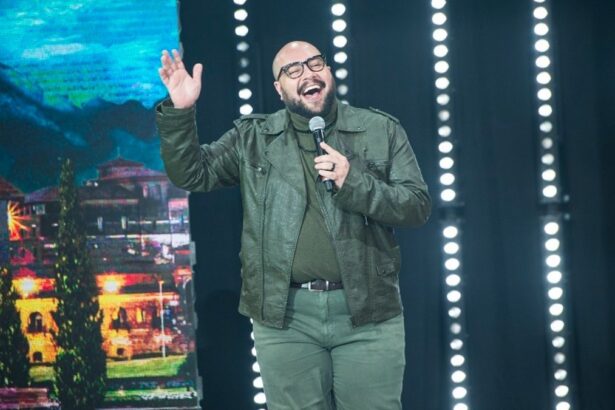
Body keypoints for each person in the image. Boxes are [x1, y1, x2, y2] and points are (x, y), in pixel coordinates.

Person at [156, 41, 431, 410]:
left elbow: (417, 206)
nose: (308, 73)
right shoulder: (253, 138)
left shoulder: (379, 129)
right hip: (285, 317)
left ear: (329, 73)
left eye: (315, 63)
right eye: (293, 70)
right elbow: (193, 173)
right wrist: (181, 111)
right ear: (279, 88)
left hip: (368, 312)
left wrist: (355, 183)